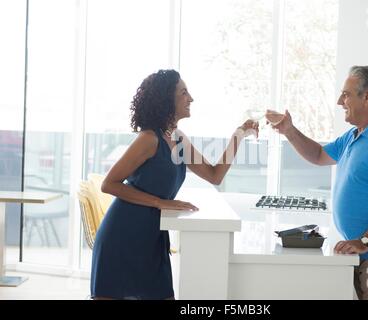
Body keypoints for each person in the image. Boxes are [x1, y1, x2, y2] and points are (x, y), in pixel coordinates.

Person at [90, 69, 258, 300]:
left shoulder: (178, 138)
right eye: (184, 93)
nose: (191, 98)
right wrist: (161, 202)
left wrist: (239, 135)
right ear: (166, 99)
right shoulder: (148, 139)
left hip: (153, 239)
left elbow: (214, 175)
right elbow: (109, 184)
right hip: (122, 238)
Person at [268, 66, 368, 300]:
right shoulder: (354, 135)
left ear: (367, 97)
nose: (340, 101)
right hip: (363, 253)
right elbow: (318, 155)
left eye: (346, 94)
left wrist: (365, 242)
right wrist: (289, 130)